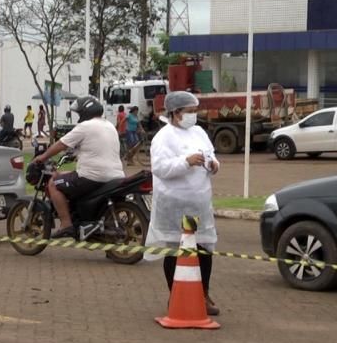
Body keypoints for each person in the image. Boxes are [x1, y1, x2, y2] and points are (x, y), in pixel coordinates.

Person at [145, 91, 220, 316]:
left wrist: (214, 164)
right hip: (173, 204)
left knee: (203, 247)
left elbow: (211, 155)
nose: (193, 115)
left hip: (199, 202)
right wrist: (185, 162)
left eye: (195, 111)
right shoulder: (164, 137)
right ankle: (175, 295)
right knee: (174, 249)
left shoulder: (199, 133)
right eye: (189, 111)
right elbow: (160, 168)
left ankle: (203, 294)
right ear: (176, 113)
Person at [33, 96, 124, 238]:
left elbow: (61, 144)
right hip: (115, 176)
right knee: (66, 175)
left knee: (54, 184)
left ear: (85, 112)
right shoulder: (109, 126)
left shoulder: (85, 126)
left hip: (92, 177)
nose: (78, 117)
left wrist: (43, 157)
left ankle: (66, 224)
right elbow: (86, 150)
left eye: (79, 113)